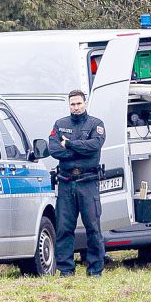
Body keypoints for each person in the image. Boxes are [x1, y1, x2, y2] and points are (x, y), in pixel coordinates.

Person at [49, 89, 106, 277]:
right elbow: (54, 149)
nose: (76, 107)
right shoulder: (60, 124)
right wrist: (79, 150)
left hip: (88, 182)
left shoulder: (96, 124)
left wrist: (71, 144)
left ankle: (95, 270)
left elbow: (94, 146)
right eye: (72, 104)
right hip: (66, 182)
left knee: (93, 228)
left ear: (85, 103)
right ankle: (65, 270)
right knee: (64, 228)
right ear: (69, 105)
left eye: (79, 103)